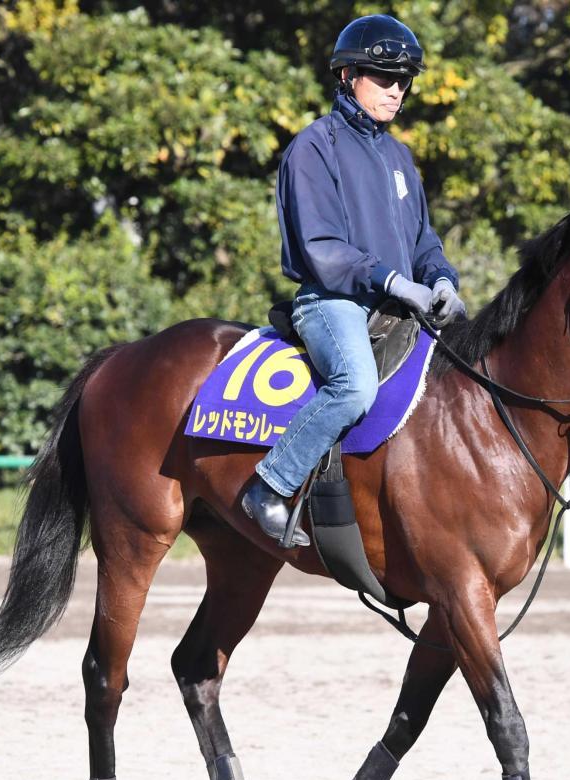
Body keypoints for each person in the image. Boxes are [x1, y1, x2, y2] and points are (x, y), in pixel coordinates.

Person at [242, 14, 466, 547]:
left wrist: (440, 278)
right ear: (347, 77)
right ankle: (269, 485)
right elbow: (322, 250)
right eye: (384, 78)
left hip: (399, 303)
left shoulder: (399, 157)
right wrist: (392, 280)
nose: (396, 91)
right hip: (331, 302)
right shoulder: (313, 148)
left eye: (404, 80)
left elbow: (423, 242)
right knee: (356, 386)